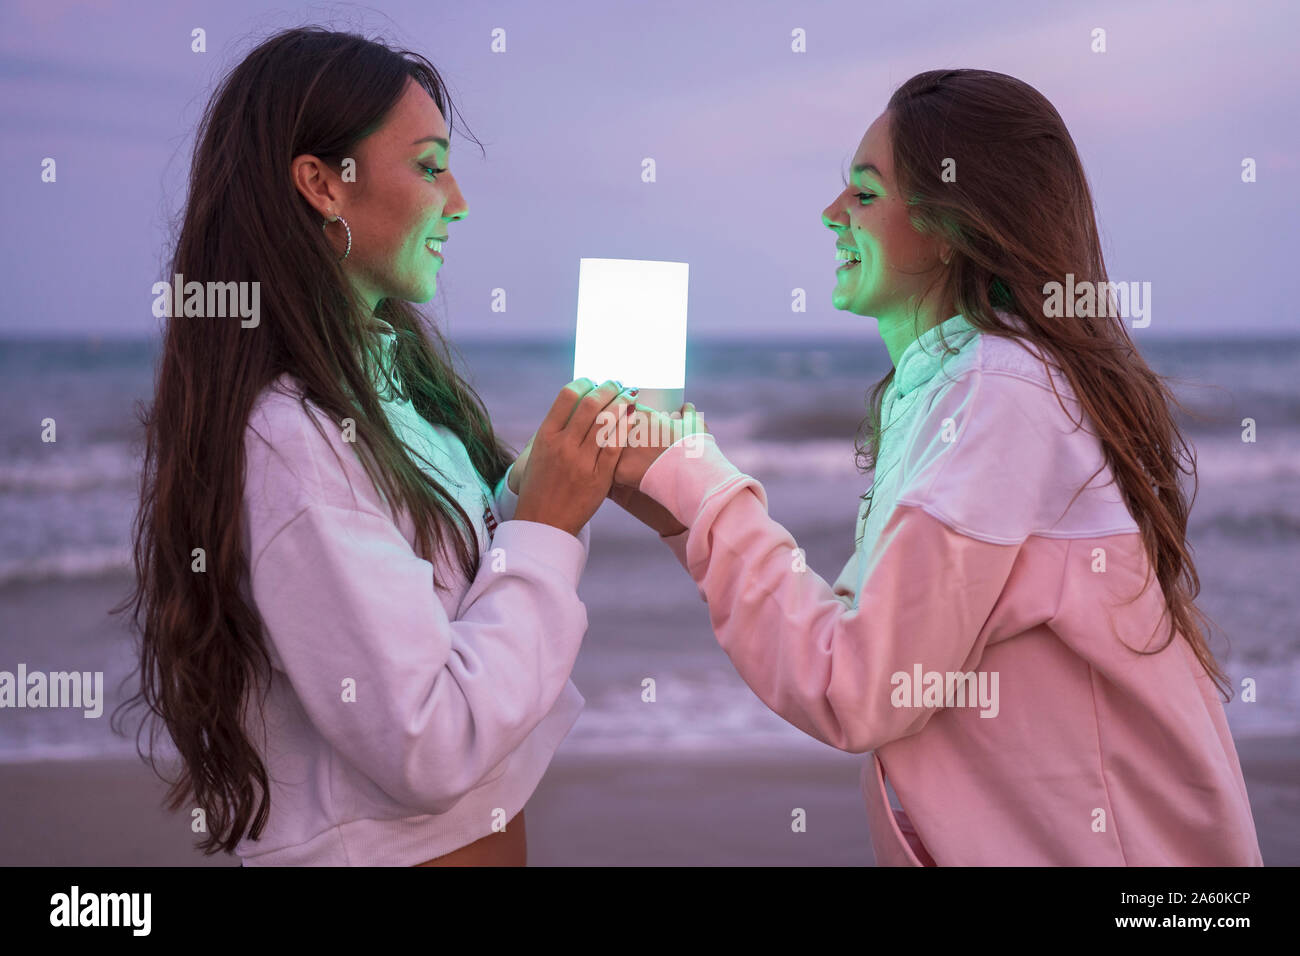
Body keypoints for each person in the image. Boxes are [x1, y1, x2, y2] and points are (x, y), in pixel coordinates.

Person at [610, 69, 1264, 866]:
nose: (830, 215)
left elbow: (856, 686)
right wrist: (683, 506)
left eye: (863, 193)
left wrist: (699, 486)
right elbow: (869, 652)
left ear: (949, 223)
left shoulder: (1000, 390)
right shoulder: (968, 384)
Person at [115, 27, 635, 866]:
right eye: (430, 166)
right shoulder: (292, 437)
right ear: (323, 184)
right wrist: (543, 530)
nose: (458, 201)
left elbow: (429, 591)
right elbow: (428, 741)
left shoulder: (382, 390)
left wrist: (534, 496)